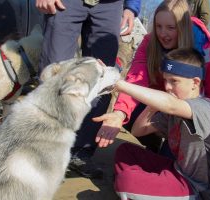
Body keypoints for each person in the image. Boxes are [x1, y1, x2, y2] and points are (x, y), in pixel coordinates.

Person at [35, 0, 141, 179]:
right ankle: (43, 151)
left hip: (110, 5)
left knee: (103, 78)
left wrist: (132, 7)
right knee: (54, 72)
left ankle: (81, 152)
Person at [113, 48, 210, 199]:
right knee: (125, 151)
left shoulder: (204, 107)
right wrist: (151, 107)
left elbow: (169, 104)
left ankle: (139, 188)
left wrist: (119, 84)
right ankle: (147, 190)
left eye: (174, 81)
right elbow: (138, 131)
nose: (167, 87)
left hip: (200, 189)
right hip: (177, 170)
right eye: (166, 80)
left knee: (127, 181)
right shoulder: (173, 111)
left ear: (195, 83)